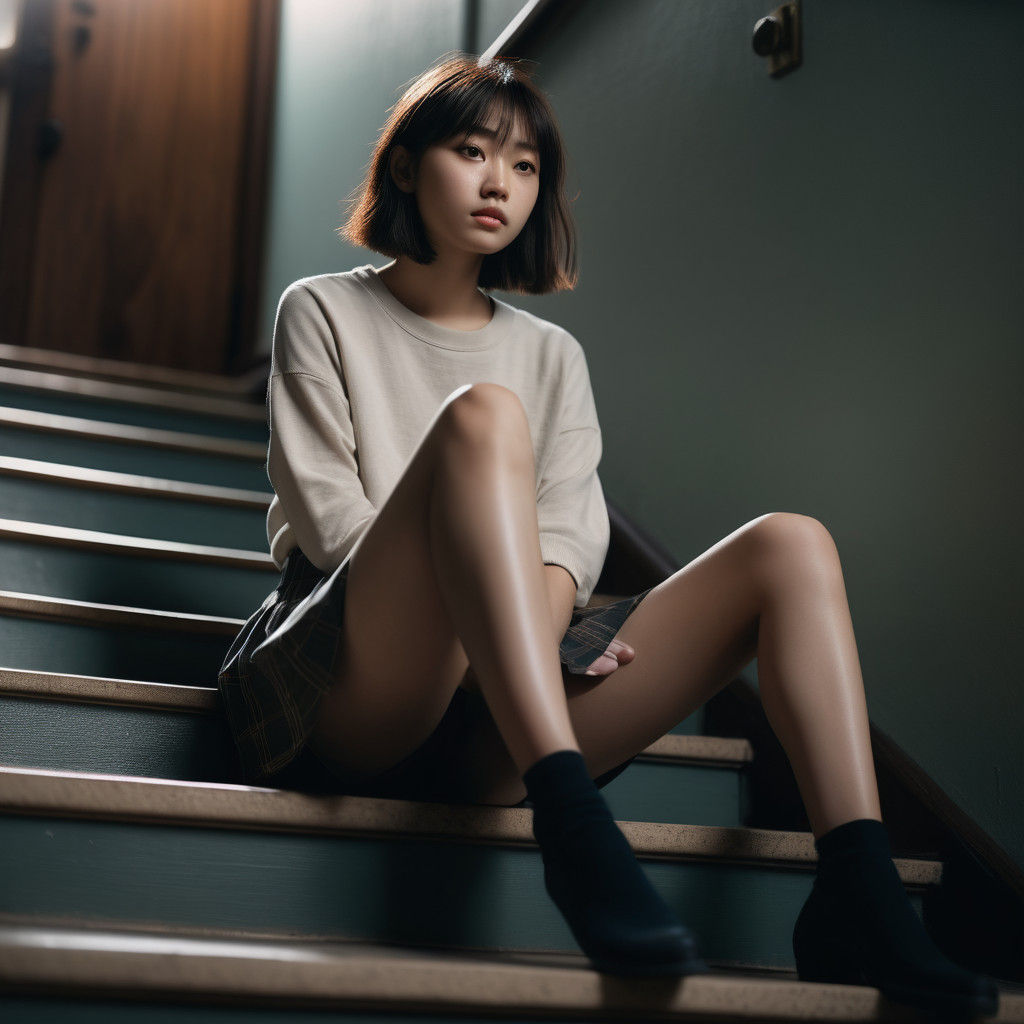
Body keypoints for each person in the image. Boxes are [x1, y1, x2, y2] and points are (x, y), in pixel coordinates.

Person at [217, 52, 1000, 1011]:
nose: (500, 181)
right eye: (471, 150)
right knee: (482, 420)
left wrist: (531, 635)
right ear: (410, 165)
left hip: (504, 712)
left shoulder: (553, 354)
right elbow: (335, 529)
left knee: (792, 544)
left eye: (526, 164)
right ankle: (575, 829)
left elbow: (573, 548)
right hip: (365, 684)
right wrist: (496, 624)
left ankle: (861, 894)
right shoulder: (323, 310)